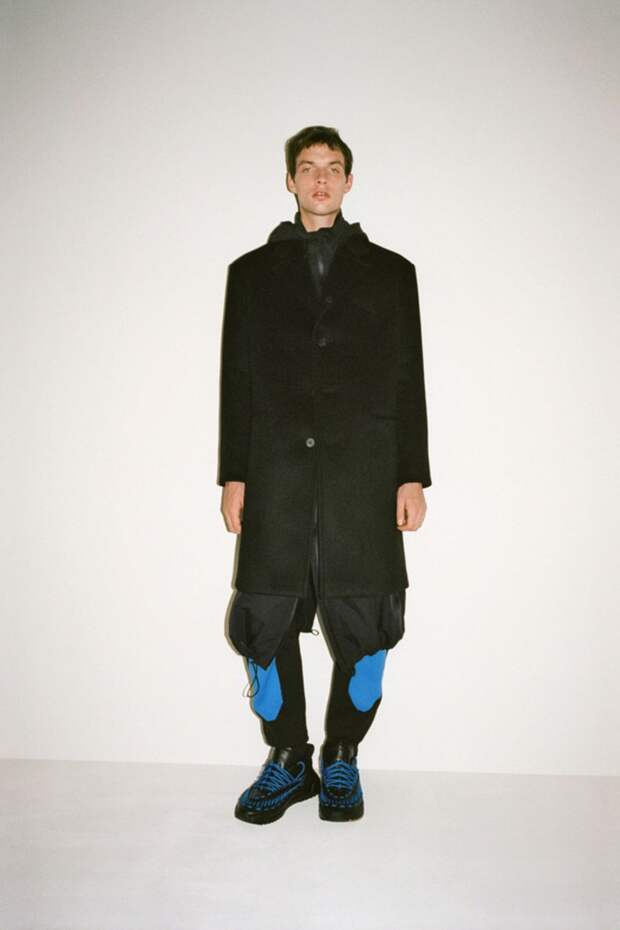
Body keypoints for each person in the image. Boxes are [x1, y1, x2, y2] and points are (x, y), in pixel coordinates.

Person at [217, 125, 431, 825]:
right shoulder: (251, 273)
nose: (319, 179)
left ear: (348, 181)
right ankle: (288, 760)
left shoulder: (391, 272)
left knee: (368, 618)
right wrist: (235, 474)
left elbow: (408, 378)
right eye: (307, 168)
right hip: (275, 470)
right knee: (263, 614)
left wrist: (411, 474)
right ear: (291, 180)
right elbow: (238, 380)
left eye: (332, 168)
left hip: (365, 472)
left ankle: (342, 755)